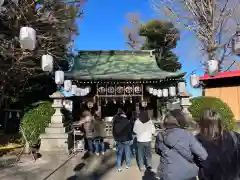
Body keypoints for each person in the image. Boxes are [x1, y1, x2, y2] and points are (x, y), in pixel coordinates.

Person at [155, 109, 208, 180]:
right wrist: (193, 159)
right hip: (187, 174)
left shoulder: (160, 136)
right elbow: (203, 155)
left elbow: (158, 151)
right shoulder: (187, 135)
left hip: (168, 174)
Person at [196, 109, 240, 180]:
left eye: (213, 126)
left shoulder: (234, 137)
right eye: (207, 127)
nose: (212, 130)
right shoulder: (197, 141)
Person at [133, 105, 156, 171]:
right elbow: (153, 131)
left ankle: (141, 166)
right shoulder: (150, 121)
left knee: (140, 154)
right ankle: (149, 165)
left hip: (140, 140)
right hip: (148, 140)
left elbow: (134, 131)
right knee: (148, 153)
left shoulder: (137, 121)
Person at [112, 108, 133, 172]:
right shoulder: (126, 121)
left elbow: (114, 131)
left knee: (119, 153)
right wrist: (131, 138)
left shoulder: (115, 121)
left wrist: (115, 138)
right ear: (123, 114)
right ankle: (128, 165)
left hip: (119, 139)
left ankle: (119, 167)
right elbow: (129, 131)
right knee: (127, 152)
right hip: (126, 139)